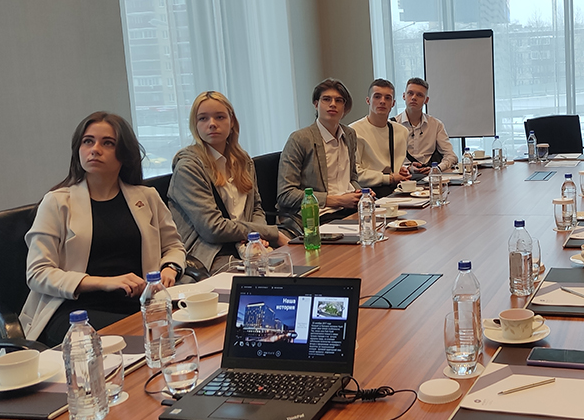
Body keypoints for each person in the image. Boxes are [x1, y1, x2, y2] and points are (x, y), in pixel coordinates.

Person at [20, 112, 185, 346]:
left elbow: (173, 246)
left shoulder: (146, 197)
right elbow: (38, 273)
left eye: (107, 143)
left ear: (124, 153)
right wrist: (105, 282)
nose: (95, 149)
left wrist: (170, 268)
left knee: (187, 331)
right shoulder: (57, 202)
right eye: (88, 141)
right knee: (148, 341)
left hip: (139, 304)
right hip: (76, 313)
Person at [168, 91, 288, 273]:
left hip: (247, 244)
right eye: (203, 118)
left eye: (220, 117)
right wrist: (268, 233)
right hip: (211, 253)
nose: (212, 124)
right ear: (195, 125)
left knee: (294, 267)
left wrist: (256, 238)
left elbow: (256, 208)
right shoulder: (188, 168)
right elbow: (212, 228)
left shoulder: (243, 161)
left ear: (232, 122)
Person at [277, 78, 362, 227]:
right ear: (316, 105)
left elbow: (352, 178)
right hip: (318, 215)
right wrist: (335, 200)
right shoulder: (300, 139)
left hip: (349, 209)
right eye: (326, 99)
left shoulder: (349, 135)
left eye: (339, 100)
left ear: (344, 107)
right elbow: (286, 195)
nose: (333, 104)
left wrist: (360, 192)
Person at [351, 78, 412, 197]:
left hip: (397, 189)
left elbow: (395, 164)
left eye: (387, 98)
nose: (382, 101)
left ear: (393, 103)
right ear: (368, 100)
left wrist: (402, 170)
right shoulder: (354, 131)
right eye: (377, 97)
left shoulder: (401, 132)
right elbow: (354, 173)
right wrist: (388, 178)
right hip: (370, 193)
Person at [395, 77, 458, 174]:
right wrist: (407, 168)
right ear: (404, 96)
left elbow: (451, 156)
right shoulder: (392, 125)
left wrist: (437, 168)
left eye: (419, 95)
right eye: (410, 93)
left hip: (430, 176)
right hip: (401, 176)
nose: (414, 97)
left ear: (426, 100)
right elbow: (385, 160)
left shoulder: (436, 125)